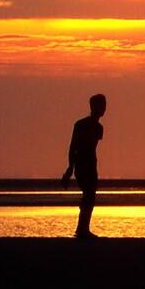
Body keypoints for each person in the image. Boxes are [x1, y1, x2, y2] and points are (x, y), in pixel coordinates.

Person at [62, 93, 107, 239]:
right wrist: (70, 168)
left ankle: (82, 228)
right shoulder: (81, 125)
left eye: (104, 105)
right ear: (93, 107)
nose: (103, 109)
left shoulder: (99, 127)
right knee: (88, 195)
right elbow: (73, 146)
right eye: (101, 105)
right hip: (82, 164)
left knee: (89, 196)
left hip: (91, 163)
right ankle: (82, 229)